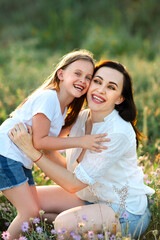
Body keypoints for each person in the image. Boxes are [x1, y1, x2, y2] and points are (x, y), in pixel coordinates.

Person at [9, 60, 155, 239]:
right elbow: (51, 149)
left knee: (64, 223)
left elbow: (73, 184)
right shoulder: (82, 117)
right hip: (89, 197)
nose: (100, 90)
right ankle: (51, 223)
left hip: (124, 211)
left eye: (111, 87)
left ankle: (58, 224)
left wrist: (32, 152)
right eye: (97, 81)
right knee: (30, 201)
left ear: (119, 98)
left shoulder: (116, 132)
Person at [0, 50, 109, 240]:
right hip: (6, 154)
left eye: (88, 77)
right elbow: (39, 141)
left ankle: (53, 231)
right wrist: (81, 141)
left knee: (36, 212)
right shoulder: (49, 98)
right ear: (61, 74)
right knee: (29, 212)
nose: (83, 80)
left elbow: (48, 146)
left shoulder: (63, 107)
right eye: (77, 73)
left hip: (19, 159)